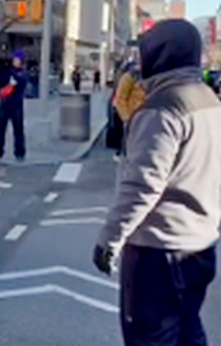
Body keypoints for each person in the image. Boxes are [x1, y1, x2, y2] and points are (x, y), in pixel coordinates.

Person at [94, 19, 221, 346]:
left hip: (158, 251)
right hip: (200, 245)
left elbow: (142, 185)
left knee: (150, 337)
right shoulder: (208, 100)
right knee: (188, 331)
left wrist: (110, 240)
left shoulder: (162, 107)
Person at [0, 50, 27, 161]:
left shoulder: (22, 74)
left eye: (17, 60)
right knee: (0, 128)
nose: (14, 62)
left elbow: (13, 86)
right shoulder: (8, 71)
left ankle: (19, 152)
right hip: (5, 103)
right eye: (14, 59)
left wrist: (10, 80)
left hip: (16, 104)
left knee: (18, 130)